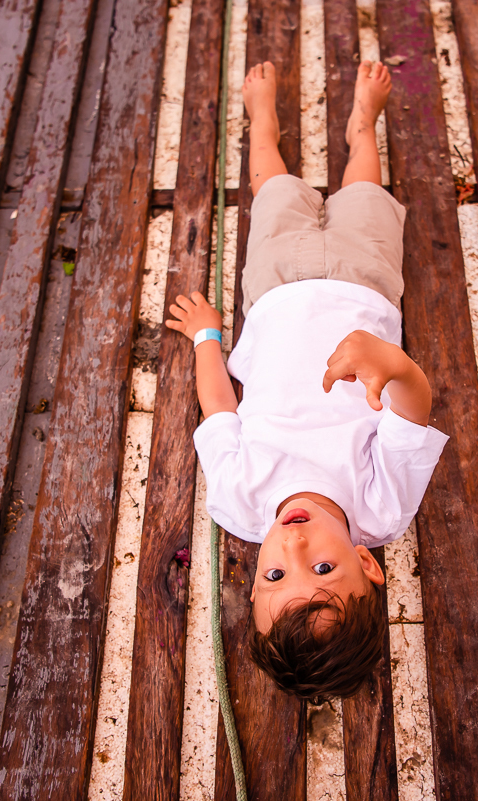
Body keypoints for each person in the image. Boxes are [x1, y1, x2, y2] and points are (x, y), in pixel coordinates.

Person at [164, 60, 448, 700]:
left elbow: (219, 408)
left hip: (275, 291)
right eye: (322, 568)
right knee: (365, 196)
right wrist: (393, 365)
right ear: (367, 565)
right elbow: (413, 411)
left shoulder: (237, 500)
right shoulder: (382, 506)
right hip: (364, 288)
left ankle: (261, 118)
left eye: (271, 575)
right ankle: (361, 128)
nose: (291, 546)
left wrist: (209, 336)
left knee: (273, 191)